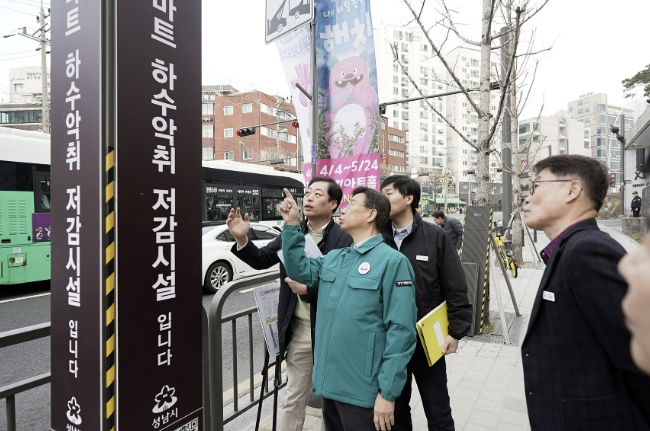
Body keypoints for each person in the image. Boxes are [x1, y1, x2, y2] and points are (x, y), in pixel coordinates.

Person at [521, 154, 650, 430]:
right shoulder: (571, 248)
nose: (527, 198)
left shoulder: (587, 251)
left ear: (572, 190)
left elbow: (638, 358)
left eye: (536, 186)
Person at [280, 187, 417, 431]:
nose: (343, 210)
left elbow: (402, 333)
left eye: (351, 204)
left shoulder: (393, 261)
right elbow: (299, 270)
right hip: (329, 385)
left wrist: (387, 393)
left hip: (362, 390)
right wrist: (291, 225)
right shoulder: (336, 257)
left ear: (371, 214)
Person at [226, 177, 352, 431]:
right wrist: (242, 240)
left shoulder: (345, 238)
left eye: (318, 194)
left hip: (334, 329)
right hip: (301, 329)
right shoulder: (293, 231)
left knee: (335, 399)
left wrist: (310, 289)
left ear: (333, 204)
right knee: (294, 396)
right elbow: (263, 259)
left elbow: (348, 286)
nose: (309, 198)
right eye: (308, 193)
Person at [380, 176, 472, 431]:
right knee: (396, 410)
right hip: (390, 340)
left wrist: (456, 331)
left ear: (409, 198)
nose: (382, 199)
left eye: (388, 193)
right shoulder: (378, 236)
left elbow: (455, 284)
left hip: (426, 339)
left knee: (437, 409)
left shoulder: (435, 236)